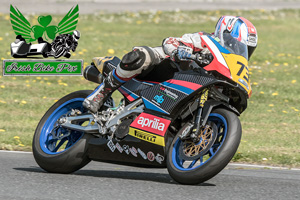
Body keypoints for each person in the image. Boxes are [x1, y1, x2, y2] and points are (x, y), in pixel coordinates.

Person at [83, 15, 258, 113]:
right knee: (142, 56)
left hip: (187, 88)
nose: (239, 49)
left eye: (245, 49)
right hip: (165, 70)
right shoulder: (205, 40)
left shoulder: (229, 62)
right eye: (237, 43)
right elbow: (170, 41)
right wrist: (180, 50)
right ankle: (101, 93)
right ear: (225, 32)